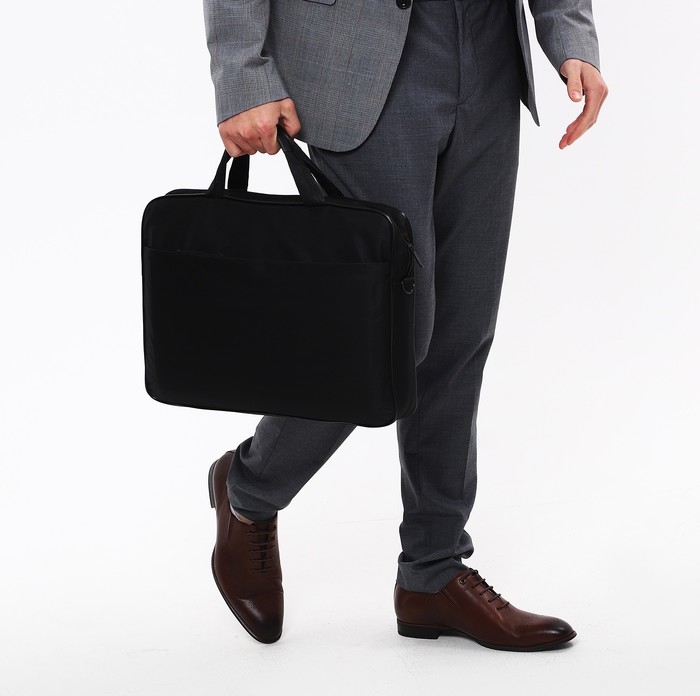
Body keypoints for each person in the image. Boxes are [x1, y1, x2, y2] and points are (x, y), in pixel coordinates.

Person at [203, 0, 608, 650]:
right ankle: (249, 488)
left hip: (490, 50)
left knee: (461, 331)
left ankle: (433, 570)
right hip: (358, 58)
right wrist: (241, 71)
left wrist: (569, 29)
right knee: (389, 337)